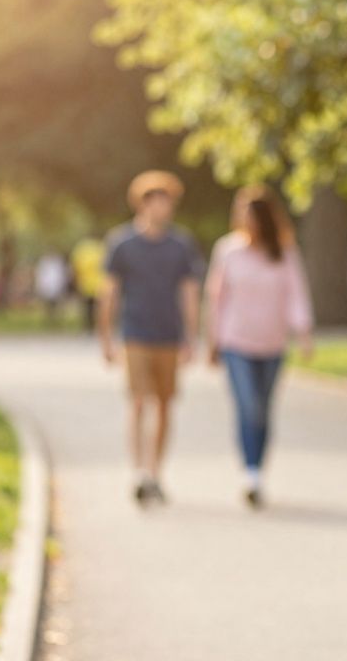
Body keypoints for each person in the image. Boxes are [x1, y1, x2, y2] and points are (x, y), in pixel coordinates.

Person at [98, 170, 204, 507]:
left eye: (168, 202)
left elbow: (189, 292)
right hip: (135, 333)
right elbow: (110, 292)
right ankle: (140, 471)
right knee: (139, 401)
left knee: (164, 404)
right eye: (158, 201)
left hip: (169, 335)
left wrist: (191, 335)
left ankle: (157, 471)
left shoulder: (180, 245)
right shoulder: (122, 244)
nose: (164, 208)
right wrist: (105, 336)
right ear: (143, 204)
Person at [205, 185, 315, 508]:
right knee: (248, 406)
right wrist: (212, 340)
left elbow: (296, 294)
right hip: (235, 341)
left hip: (272, 343)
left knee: (264, 411)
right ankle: (249, 473)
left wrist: (304, 333)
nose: (246, 222)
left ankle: (259, 470)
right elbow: (217, 299)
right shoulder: (227, 251)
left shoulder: (284, 252)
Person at [71, 236, 106, 334]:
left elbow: (76, 268)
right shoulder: (100, 248)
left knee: (89, 308)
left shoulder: (82, 249)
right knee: (94, 308)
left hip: (89, 284)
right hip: (96, 284)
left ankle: (90, 327)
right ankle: (94, 326)